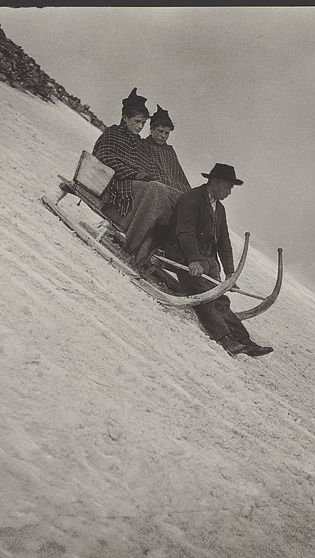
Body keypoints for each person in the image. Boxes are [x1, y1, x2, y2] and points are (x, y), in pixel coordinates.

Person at [164, 163, 273, 357]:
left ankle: (244, 340)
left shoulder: (219, 208)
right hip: (184, 256)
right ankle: (225, 339)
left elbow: (223, 241)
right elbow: (185, 232)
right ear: (214, 182)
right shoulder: (192, 199)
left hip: (205, 260)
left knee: (220, 297)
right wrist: (194, 260)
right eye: (228, 187)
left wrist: (230, 273)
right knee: (204, 295)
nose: (230, 192)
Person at [91, 88, 181, 268]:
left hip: (133, 185)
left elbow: (145, 167)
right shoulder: (113, 133)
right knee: (156, 190)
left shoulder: (137, 143)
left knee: (163, 192)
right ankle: (136, 244)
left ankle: (151, 245)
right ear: (125, 118)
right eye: (137, 122)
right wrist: (138, 175)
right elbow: (105, 157)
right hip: (115, 186)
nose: (140, 127)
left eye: (143, 123)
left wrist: (146, 176)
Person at [128, 105, 193, 270]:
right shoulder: (142, 145)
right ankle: (140, 252)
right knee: (160, 196)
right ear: (151, 129)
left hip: (173, 193)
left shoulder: (169, 151)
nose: (163, 136)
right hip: (153, 192)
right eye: (160, 131)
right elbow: (144, 170)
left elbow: (179, 176)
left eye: (167, 133)